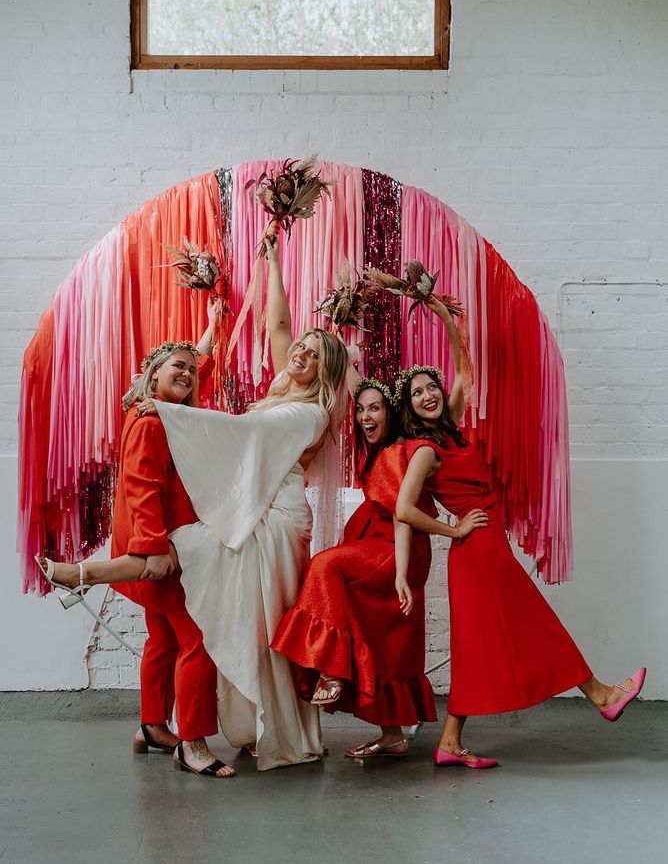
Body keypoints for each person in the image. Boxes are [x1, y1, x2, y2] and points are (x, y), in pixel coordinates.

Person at [43, 228, 348, 772]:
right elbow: (276, 325)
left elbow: (244, 437)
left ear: (326, 372)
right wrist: (271, 263)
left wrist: (171, 410)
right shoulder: (281, 386)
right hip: (248, 506)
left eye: (311, 354)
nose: (298, 353)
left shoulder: (309, 411)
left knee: (206, 586)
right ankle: (166, 727)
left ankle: (88, 575)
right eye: (298, 347)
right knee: (191, 614)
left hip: (275, 516)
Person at [393, 296, 647, 769]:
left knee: (478, 646)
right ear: (409, 408)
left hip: (488, 546)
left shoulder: (452, 431)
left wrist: (446, 318)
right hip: (476, 550)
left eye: (431, 387)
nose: (428, 396)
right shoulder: (425, 448)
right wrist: (453, 527)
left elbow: (465, 371)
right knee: (536, 625)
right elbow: (404, 508)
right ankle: (602, 694)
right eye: (417, 394)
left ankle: (450, 742)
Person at [38, 313, 237, 779]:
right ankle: (192, 743)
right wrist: (153, 549)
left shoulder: (165, 411)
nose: (187, 374)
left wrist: (208, 328)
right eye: (177, 368)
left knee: (163, 640)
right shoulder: (151, 423)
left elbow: (196, 366)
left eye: (191, 369)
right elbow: (141, 486)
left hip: (155, 545)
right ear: (153, 376)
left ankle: (151, 725)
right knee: (198, 643)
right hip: (161, 551)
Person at [271, 376, 488, 759]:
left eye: (376, 409)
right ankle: (392, 736)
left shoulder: (396, 451)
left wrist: (408, 568)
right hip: (380, 544)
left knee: (325, 566)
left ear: (392, 415)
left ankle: (333, 669)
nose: (366, 416)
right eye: (361, 410)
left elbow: (403, 517)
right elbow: (355, 380)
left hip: (392, 548)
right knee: (386, 640)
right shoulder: (376, 451)